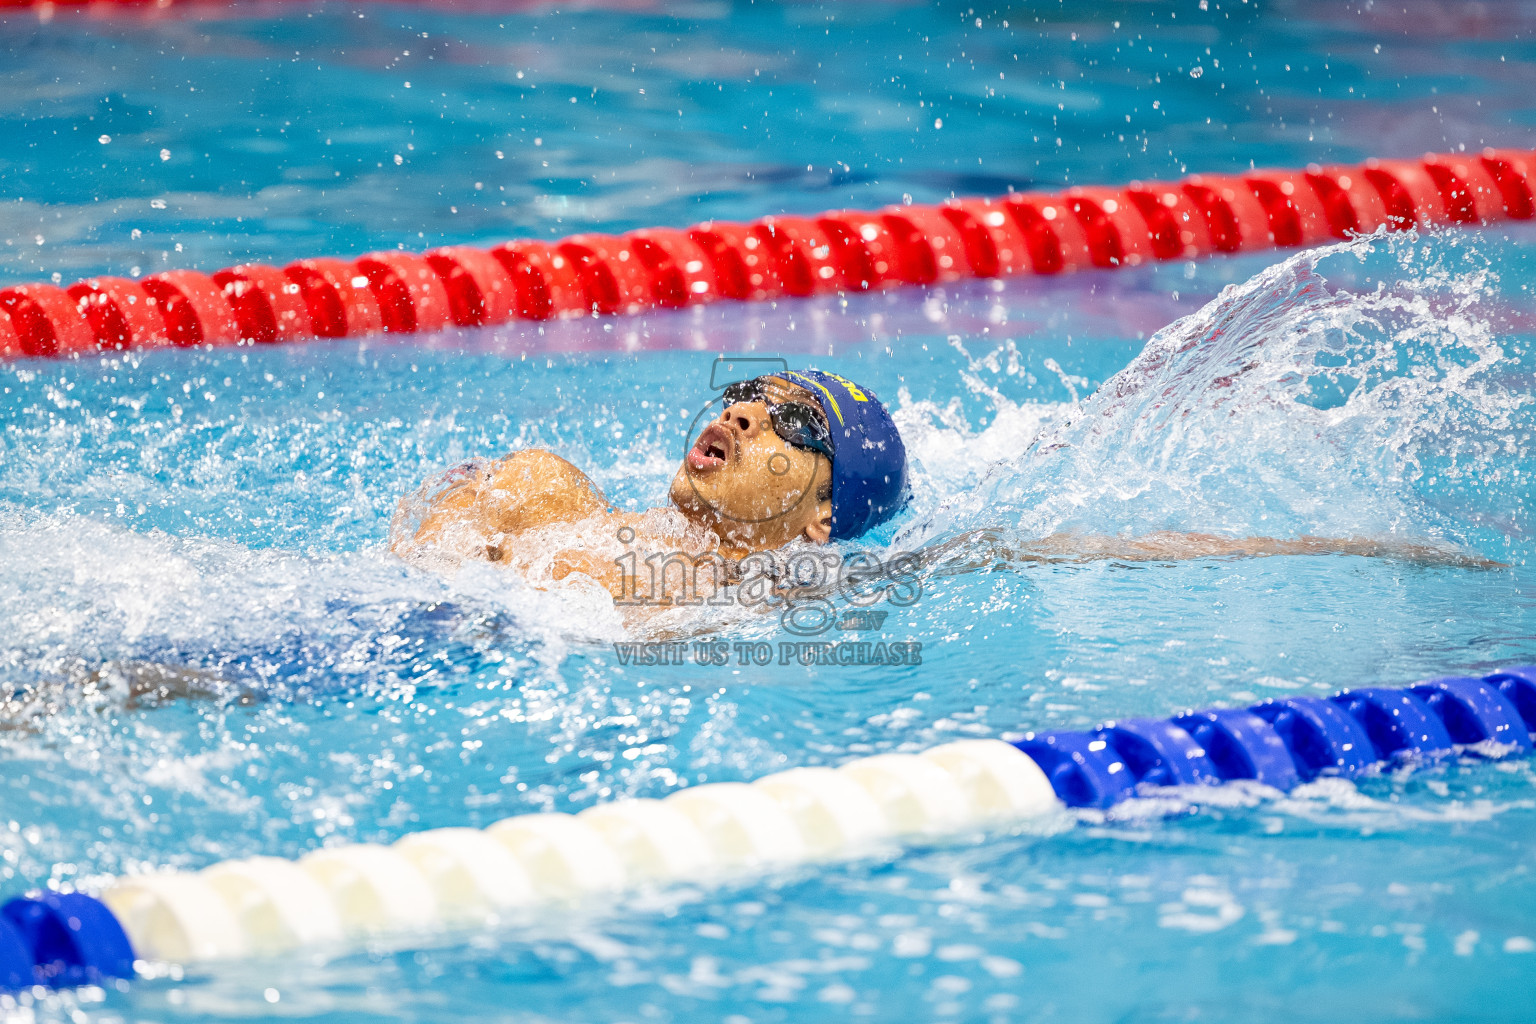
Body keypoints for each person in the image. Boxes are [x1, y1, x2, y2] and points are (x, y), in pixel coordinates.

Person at [390, 368, 1499, 606]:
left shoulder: (786, 592)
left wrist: (1342, 547)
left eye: (793, 422)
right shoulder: (558, 493)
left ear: (823, 515)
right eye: (744, 394)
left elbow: (1052, 548)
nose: (738, 415)